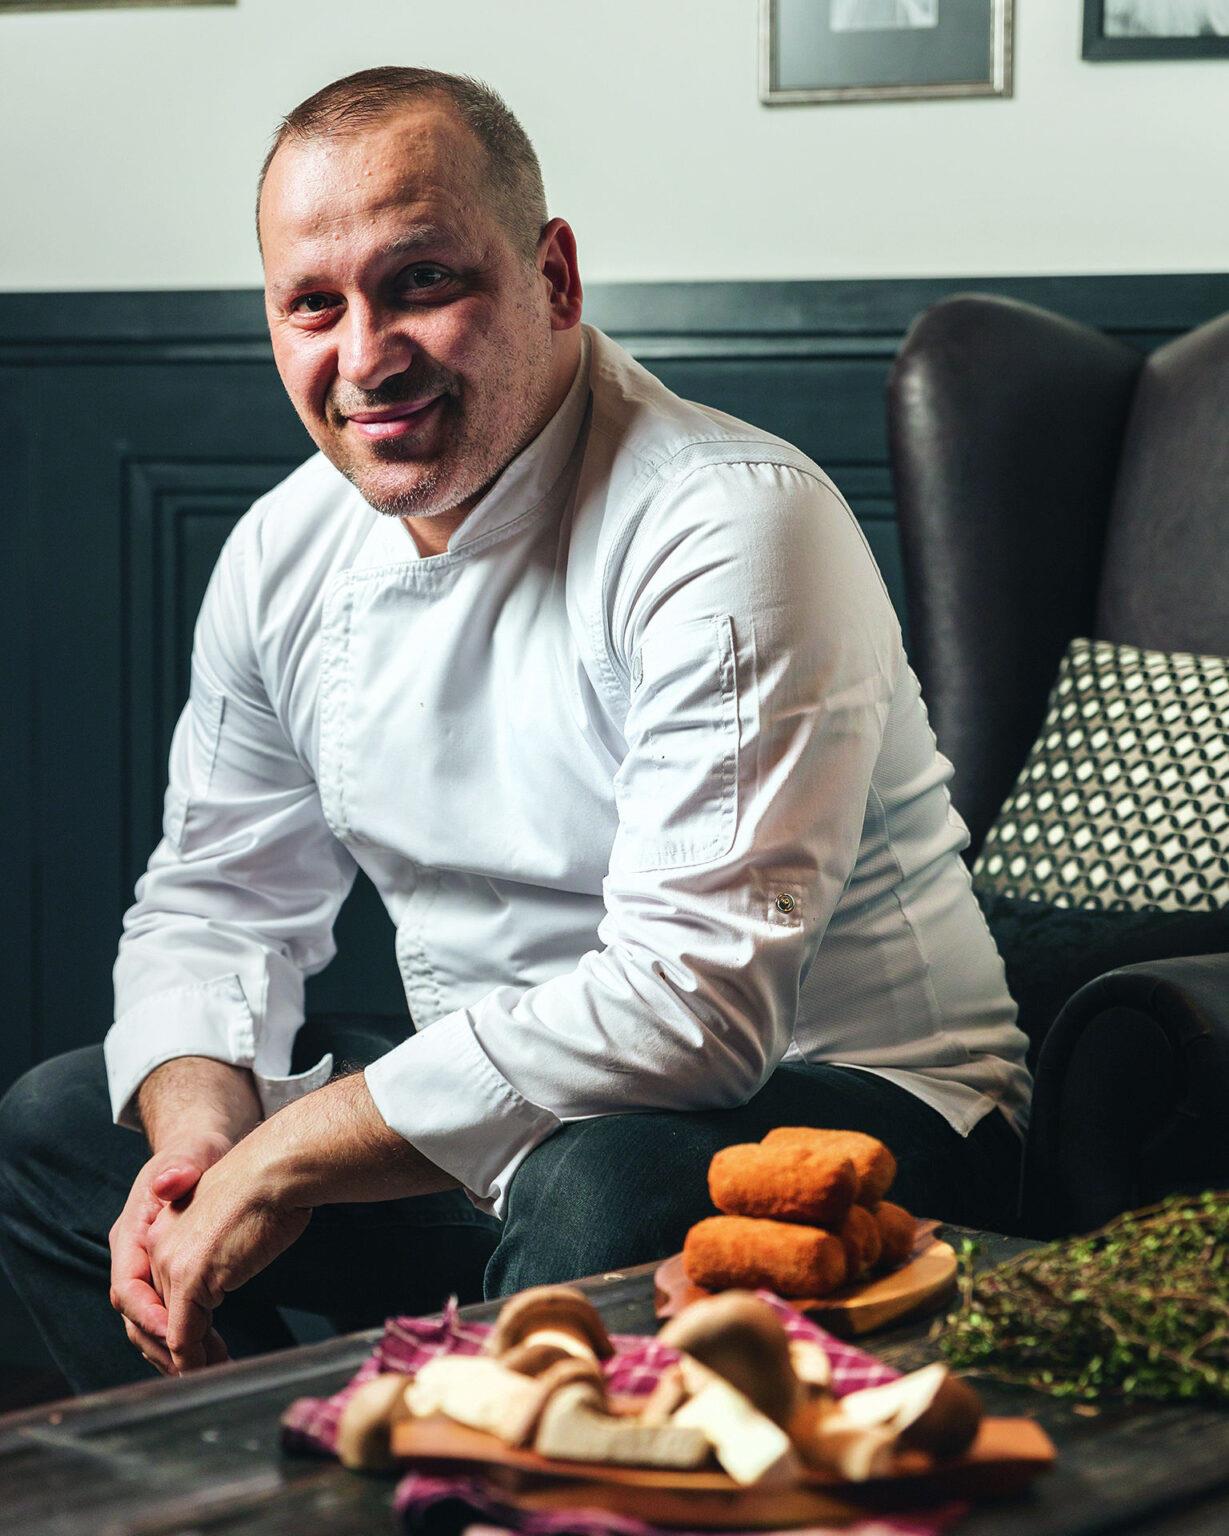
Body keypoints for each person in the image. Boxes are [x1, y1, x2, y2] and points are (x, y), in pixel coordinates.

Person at [0, 66, 1030, 1394]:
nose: (365, 356)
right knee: (66, 1131)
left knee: (596, 1191)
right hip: (501, 1124)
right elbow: (215, 906)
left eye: (421, 281)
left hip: (861, 1104)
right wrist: (204, 1151)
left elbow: (695, 1007)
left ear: (554, 277)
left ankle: (476, 1462)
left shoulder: (727, 519)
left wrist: (285, 1156)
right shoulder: (280, 551)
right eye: (313, 304)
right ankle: (253, 1465)